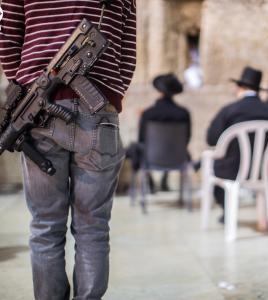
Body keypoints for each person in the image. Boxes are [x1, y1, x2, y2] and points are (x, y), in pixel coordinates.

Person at [0, 1, 136, 299]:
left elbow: (8, 40)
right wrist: (110, 96)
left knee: (46, 226)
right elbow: (127, 56)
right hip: (96, 114)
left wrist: (23, 84)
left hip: (41, 114)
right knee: (93, 227)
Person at [207, 66, 268, 224]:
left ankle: (227, 210)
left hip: (232, 170)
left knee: (215, 166)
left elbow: (211, 138)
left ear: (240, 87)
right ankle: (264, 220)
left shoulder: (229, 110)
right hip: (264, 170)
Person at [129, 73, 191, 194]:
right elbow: (187, 138)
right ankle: (163, 180)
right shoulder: (183, 114)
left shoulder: (148, 114)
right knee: (171, 145)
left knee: (135, 148)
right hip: (178, 157)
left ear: (159, 91)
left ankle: (150, 183)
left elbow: (142, 139)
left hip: (151, 157)